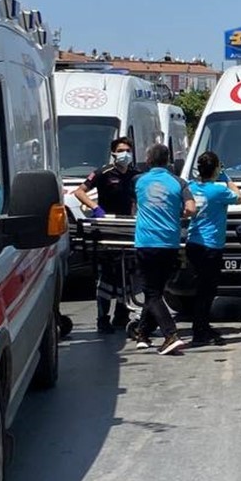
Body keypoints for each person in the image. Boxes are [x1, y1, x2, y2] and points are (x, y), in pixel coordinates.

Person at [71, 135, 140, 334]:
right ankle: (103, 318)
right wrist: (95, 207)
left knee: (126, 274)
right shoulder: (103, 173)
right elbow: (80, 192)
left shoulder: (136, 174)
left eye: (127, 150)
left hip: (127, 227)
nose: (124, 154)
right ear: (113, 153)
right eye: (120, 150)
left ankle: (122, 314)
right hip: (107, 227)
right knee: (106, 275)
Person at [132, 143, 195, 355]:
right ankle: (143, 333)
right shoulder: (178, 182)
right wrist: (177, 215)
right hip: (169, 242)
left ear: (148, 161)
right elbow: (191, 209)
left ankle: (170, 335)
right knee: (156, 290)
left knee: (151, 292)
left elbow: (133, 206)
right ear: (169, 161)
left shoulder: (139, 181)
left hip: (146, 241)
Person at [185, 151, 241, 346]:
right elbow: (239, 197)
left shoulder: (192, 187)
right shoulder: (218, 191)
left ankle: (202, 326)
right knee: (207, 290)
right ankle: (200, 331)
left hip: (193, 242)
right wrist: (227, 178)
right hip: (211, 245)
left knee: (201, 288)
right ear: (216, 169)